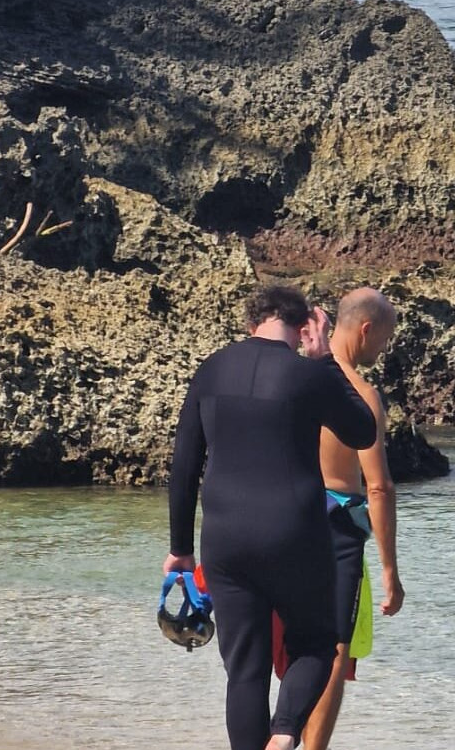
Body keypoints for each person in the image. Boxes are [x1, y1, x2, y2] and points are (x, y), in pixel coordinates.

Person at [163, 284, 377, 750]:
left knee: (245, 671)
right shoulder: (308, 374)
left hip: (225, 538)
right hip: (294, 532)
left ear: (250, 322)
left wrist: (180, 548)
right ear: (304, 329)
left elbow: (183, 467)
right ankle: (283, 735)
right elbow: (363, 430)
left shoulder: (212, 370)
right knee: (317, 643)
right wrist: (325, 361)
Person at [302, 287, 405, 750]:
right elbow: (379, 487)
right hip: (337, 528)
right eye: (383, 340)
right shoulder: (361, 395)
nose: (381, 350)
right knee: (334, 650)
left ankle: (275, 735)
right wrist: (390, 571)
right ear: (366, 330)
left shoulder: (297, 377)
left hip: (288, 516)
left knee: (284, 643)